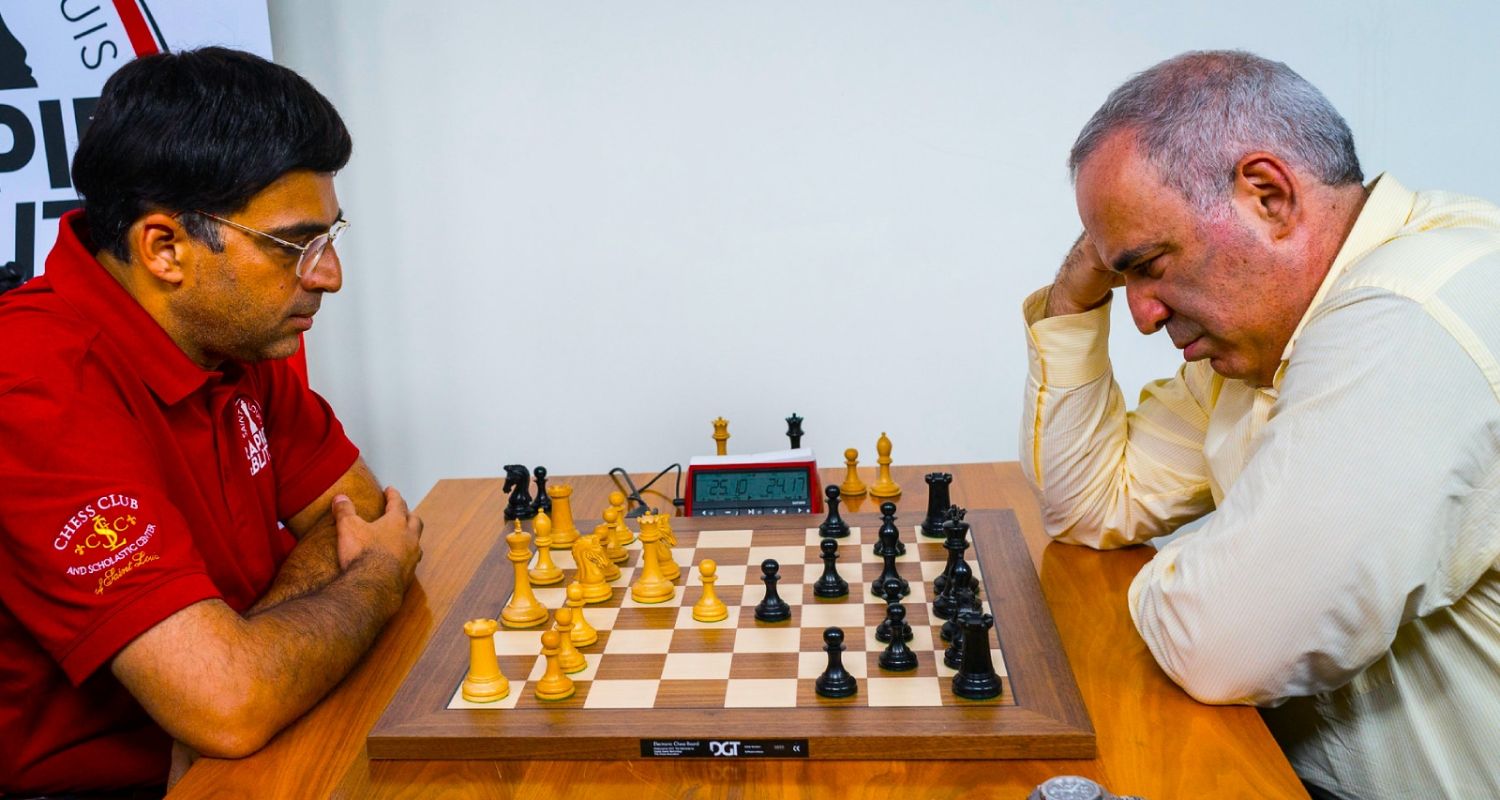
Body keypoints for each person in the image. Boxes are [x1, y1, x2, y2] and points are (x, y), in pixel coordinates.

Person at [1021, 51, 1500, 799]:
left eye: (1148, 264)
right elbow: (1091, 504)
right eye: (1121, 276)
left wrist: (1227, 571)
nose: (1141, 315)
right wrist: (1071, 301)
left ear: (1268, 197)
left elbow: (1224, 643)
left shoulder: (1411, 314)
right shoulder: (1263, 346)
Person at [0, 48, 423, 795]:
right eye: (295, 245)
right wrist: (378, 578)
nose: (329, 275)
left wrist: (250, 652)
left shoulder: (232, 329)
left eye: (330, 238)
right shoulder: (31, 383)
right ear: (165, 248)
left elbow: (355, 511)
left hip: (240, 750)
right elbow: (227, 705)